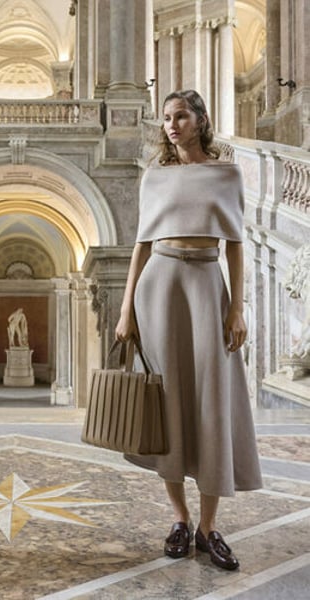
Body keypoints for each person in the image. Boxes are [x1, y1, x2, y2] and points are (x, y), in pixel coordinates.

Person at [115, 89, 262, 571]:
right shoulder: (154, 176)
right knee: (168, 404)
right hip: (158, 288)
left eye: (181, 116)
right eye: (166, 118)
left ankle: (208, 527)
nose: (172, 125)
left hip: (205, 285)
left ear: (200, 120)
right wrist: (125, 309)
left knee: (211, 401)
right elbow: (141, 244)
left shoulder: (226, 174)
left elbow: (235, 243)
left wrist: (236, 308)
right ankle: (179, 519)